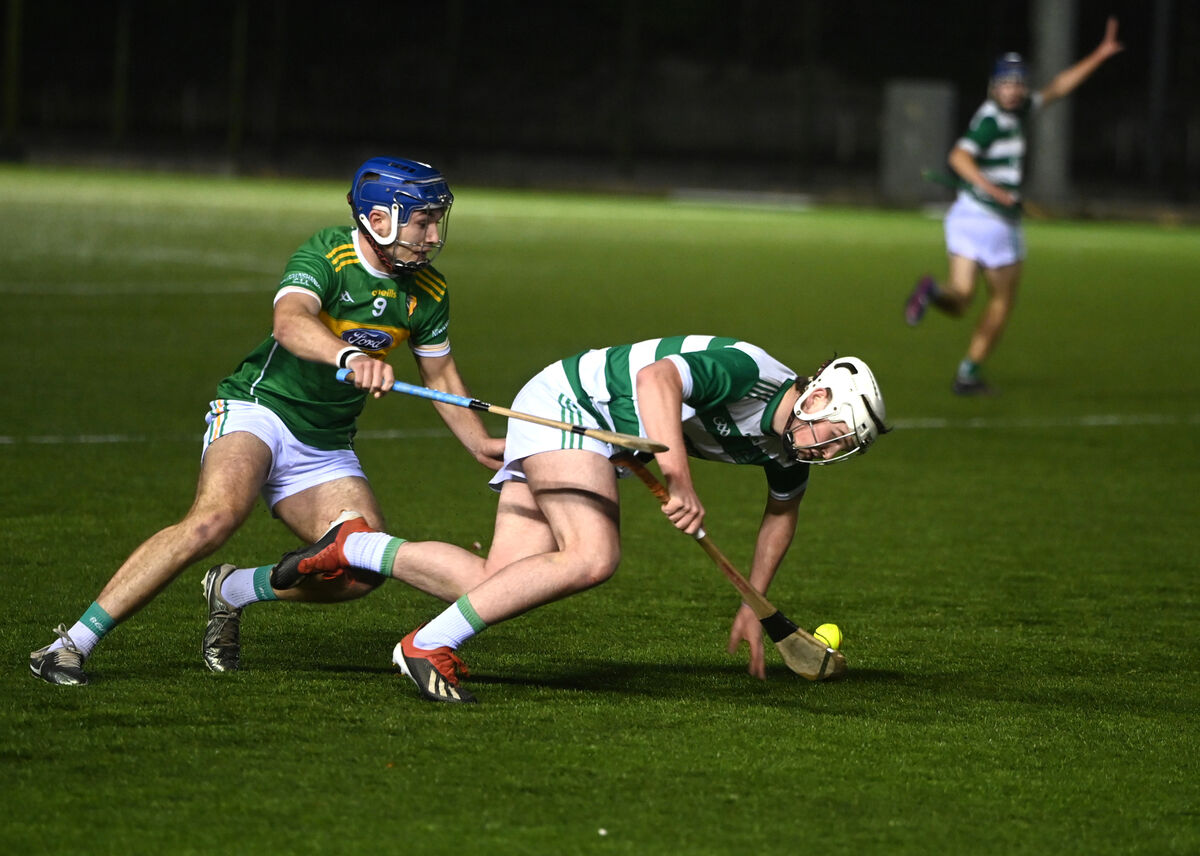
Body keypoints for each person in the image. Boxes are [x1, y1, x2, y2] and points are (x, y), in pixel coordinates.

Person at [29, 156, 504, 686]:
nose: (433, 234)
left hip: (324, 443)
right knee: (212, 521)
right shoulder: (330, 251)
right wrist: (349, 356)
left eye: (437, 220)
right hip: (259, 410)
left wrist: (480, 443)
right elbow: (289, 322)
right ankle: (69, 645)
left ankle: (232, 590)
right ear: (380, 218)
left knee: (362, 572)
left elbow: (440, 376)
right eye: (422, 221)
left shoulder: (429, 292)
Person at [273, 336, 889, 703]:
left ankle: (354, 548)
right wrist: (678, 476)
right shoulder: (750, 371)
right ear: (818, 397)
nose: (829, 449)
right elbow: (657, 379)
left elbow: (782, 514)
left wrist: (756, 602)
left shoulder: (787, 452)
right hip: (570, 406)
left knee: (490, 582)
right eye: (836, 432)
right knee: (593, 557)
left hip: (600, 434)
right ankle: (427, 644)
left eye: (844, 447)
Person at [905, 16, 1124, 395]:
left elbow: (1057, 88)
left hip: (966, 216)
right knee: (1002, 301)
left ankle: (931, 292)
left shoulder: (1019, 110)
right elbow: (958, 157)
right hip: (993, 221)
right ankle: (968, 373)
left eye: (1018, 82)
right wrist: (996, 190)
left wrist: (1099, 55)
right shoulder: (992, 120)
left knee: (959, 299)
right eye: (1006, 82)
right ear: (994, 87)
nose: (1013, 89)